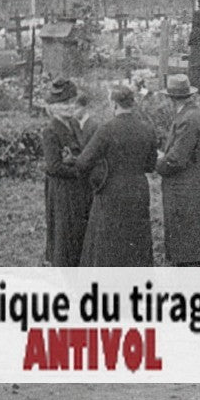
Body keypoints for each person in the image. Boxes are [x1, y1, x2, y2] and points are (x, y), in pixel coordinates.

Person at [69, 84, 158, 265]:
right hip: (138, 191)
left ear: (114, 104)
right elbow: (150, 166)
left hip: (111, 191)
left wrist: (80, 163)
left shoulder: (107, 129)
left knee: (109, 241)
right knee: (136, 240)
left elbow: (83, 163)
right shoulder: (147, 128)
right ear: (132, 103)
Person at [156, 74, 200, 265]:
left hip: (185, 195)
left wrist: (157, 160)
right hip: (197, 190)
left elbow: (176, 160)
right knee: (195, 253)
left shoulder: (187, 119)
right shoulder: (198, 116)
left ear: (171, 98)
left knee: (187, 253)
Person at [40, 79, 97, 267]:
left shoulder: (74, 124)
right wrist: (79, 169)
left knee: (79, 227)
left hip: (79, 187)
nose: (69, 106)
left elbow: (82, 152)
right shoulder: (50, 131)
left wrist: (76, 162)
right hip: (62, 189)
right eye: (64, 103)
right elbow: (54, 167)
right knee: (65, 230)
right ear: (53, 107)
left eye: (72, 102)